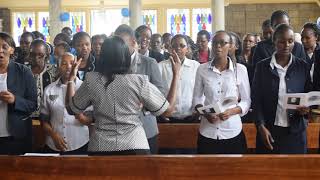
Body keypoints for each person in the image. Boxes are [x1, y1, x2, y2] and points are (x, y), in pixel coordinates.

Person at [66, 35, 181, 155]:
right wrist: (176, 75)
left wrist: (70, 81)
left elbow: (72, 108)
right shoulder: (138, 81)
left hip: (101, 147)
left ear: (102, 57)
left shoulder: (92, 80)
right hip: (135, 145)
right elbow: (167, 111)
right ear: (125, 57)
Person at [252, 24, 312, 154]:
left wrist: (306, 110)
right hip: (269, 130)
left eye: (290, 41)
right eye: (281, 41)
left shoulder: (302, 67)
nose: (286, 45)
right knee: (267, 171)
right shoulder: (262, 67)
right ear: (274, 42)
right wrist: (260, 126)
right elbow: (256, 99)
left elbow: (308, 95)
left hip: (295, 132)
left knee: (295, 172)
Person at [192, 31, 251, 154]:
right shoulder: (202, 69)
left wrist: (231, 112)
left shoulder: (240, 70)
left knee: (234, 171)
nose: (218, 46)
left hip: (232, 131)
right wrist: (206, 114)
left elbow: (246, 101)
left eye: (223, 43)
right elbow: (197, 99)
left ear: (230, 46)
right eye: (215, 43)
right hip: (208, 132)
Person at [114, 24, 164, 154]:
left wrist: (144, 102)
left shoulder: (149, 63)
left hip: (145, 128)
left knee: (147, 171)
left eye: (122, 43)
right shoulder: (111, 64)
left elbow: (160, 93)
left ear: (133, 42)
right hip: (119, 131)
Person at [40, 53, 90, 154]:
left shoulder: (85, 88)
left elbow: (89, 120)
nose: (68, 67)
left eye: (72, 63)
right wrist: (54, 135)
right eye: (64, 63)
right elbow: (44, 121)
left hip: (79, 143)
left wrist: (79, 116)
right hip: (54, 144)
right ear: (58, 67)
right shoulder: (49, 89)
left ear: (77, 66)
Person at [0, 32, 37, 155]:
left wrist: (15, 100)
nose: (0, 50)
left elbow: (33, 105)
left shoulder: (23, 72)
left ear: (12, 50)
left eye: (4, 47)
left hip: (16, 136)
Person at [159, 34, 200, 123]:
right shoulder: (161, 66)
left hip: (191, 117)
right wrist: (161, 113)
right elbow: (158, 93)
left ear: (187, 49)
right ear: (170, 48)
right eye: (174, 46)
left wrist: (198, 112)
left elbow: (200, 91)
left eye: (182, 46)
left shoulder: (195, 66)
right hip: (168, 118)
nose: (178, 48)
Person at [29, 39, 57, 119]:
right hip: (28, 117)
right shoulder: (24, 71)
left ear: (47, 56)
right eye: (33, 54)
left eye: (40, 55)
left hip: (50, 117)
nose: (36, 58)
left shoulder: (54, 71)